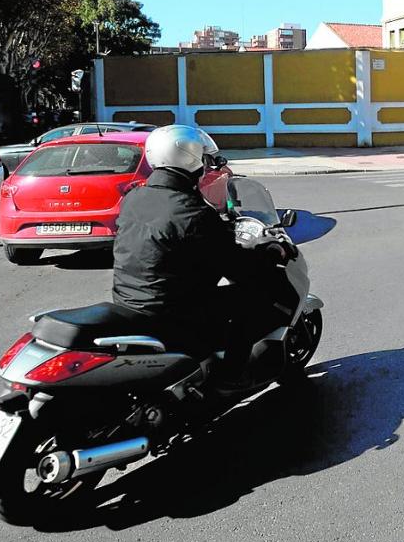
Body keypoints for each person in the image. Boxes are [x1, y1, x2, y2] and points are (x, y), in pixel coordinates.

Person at [111, 125, 289, 383]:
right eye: (204, 160)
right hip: (171, 309)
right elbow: (236, 267)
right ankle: (231, 376)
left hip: (129, 300)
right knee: (257, 296)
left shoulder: (134, 198)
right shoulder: (192, 213)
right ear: (190, 158)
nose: (206, 167)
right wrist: (270, 256)